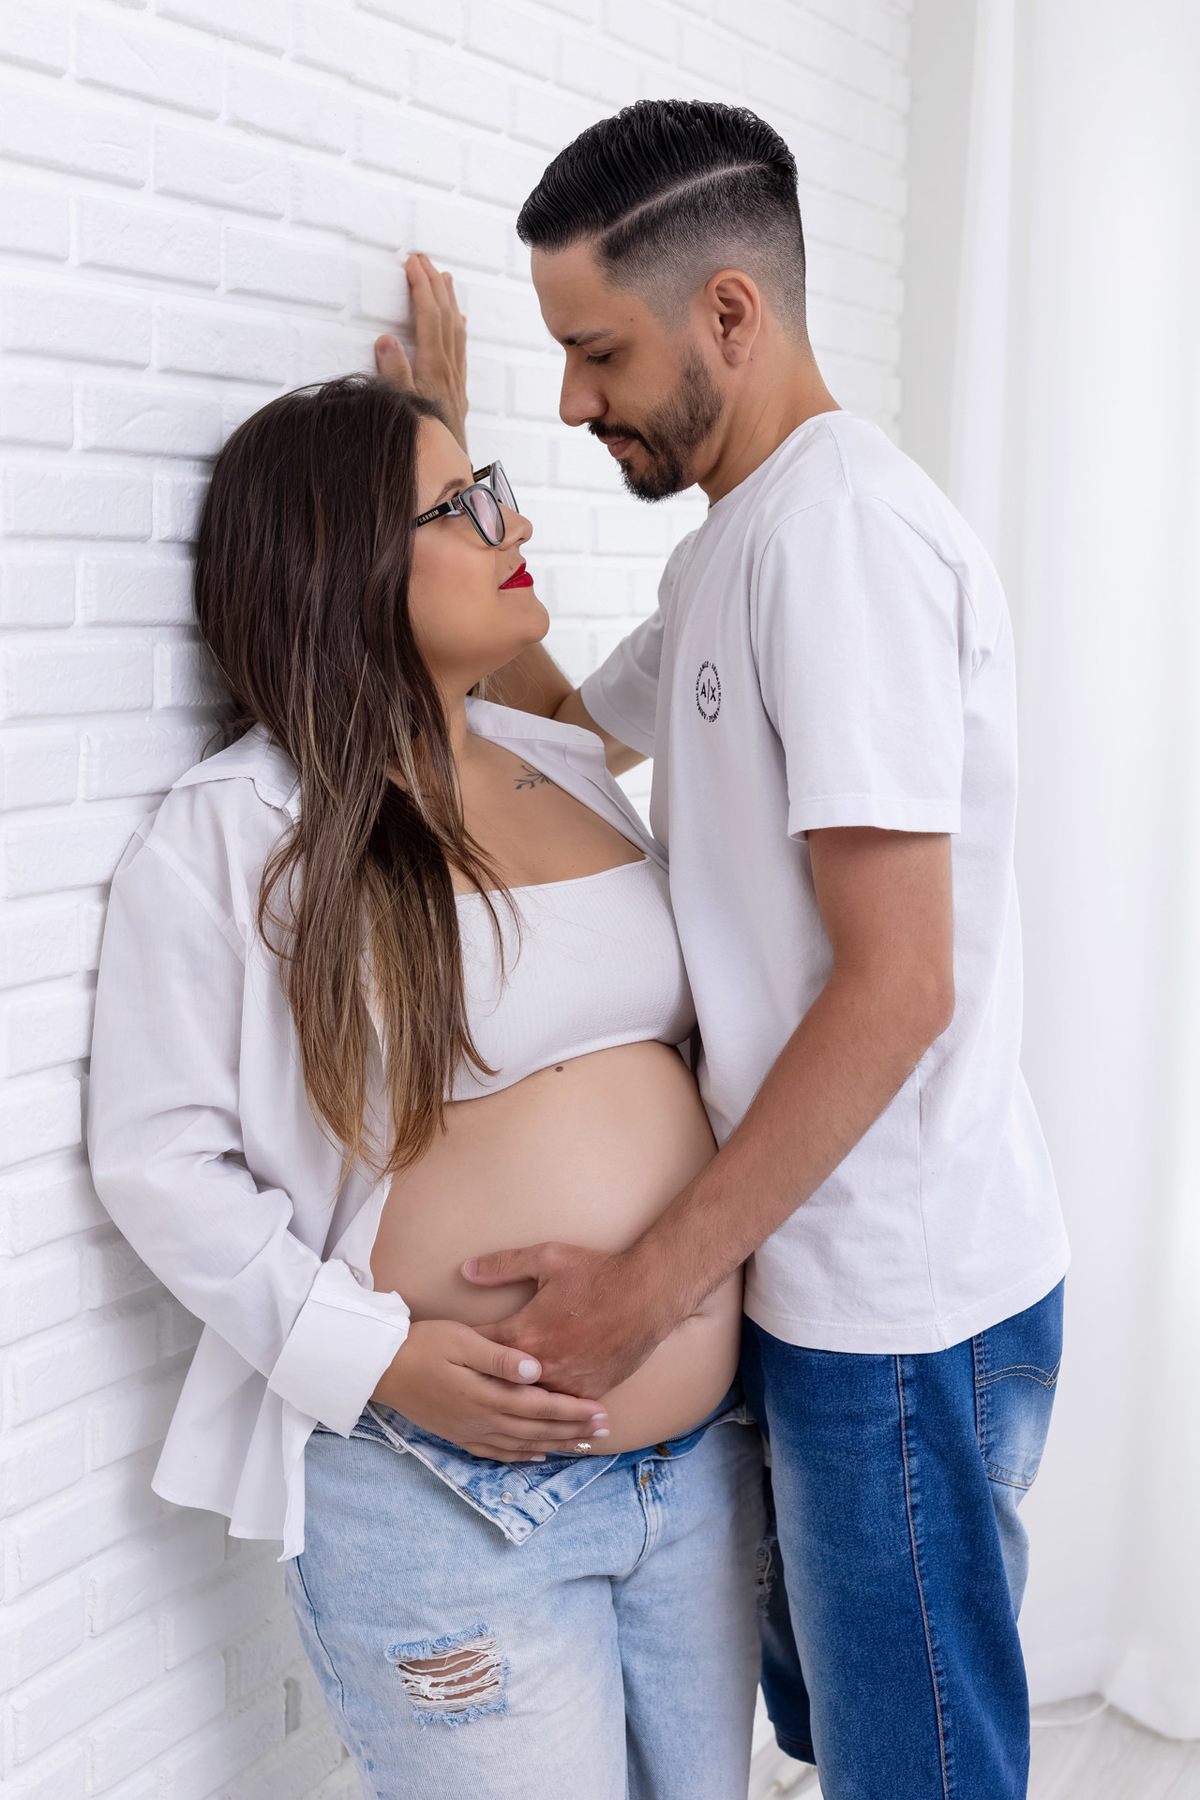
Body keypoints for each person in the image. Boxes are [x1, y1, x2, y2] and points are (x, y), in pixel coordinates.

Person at [381, 99, 1069, 1800]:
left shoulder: (840, 544)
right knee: (858, 1743)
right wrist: (444, 463)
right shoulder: (738, 551)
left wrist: (649, 1284)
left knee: (915, 1769)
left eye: (597, 353)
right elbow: (546, 723)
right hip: (828, 1285)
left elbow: (901, 982)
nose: (574, 400)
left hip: (896, 1304)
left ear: (732, 315)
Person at [86, 296, 765, 1798]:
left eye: (490, 487)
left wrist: (444, 445)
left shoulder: (563, 762)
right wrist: (377, 1360)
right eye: (457, 506)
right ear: (346, 561)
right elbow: (158, 1157)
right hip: (448, 1499)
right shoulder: (242, 829)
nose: (507, 519)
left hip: (694, 1474)